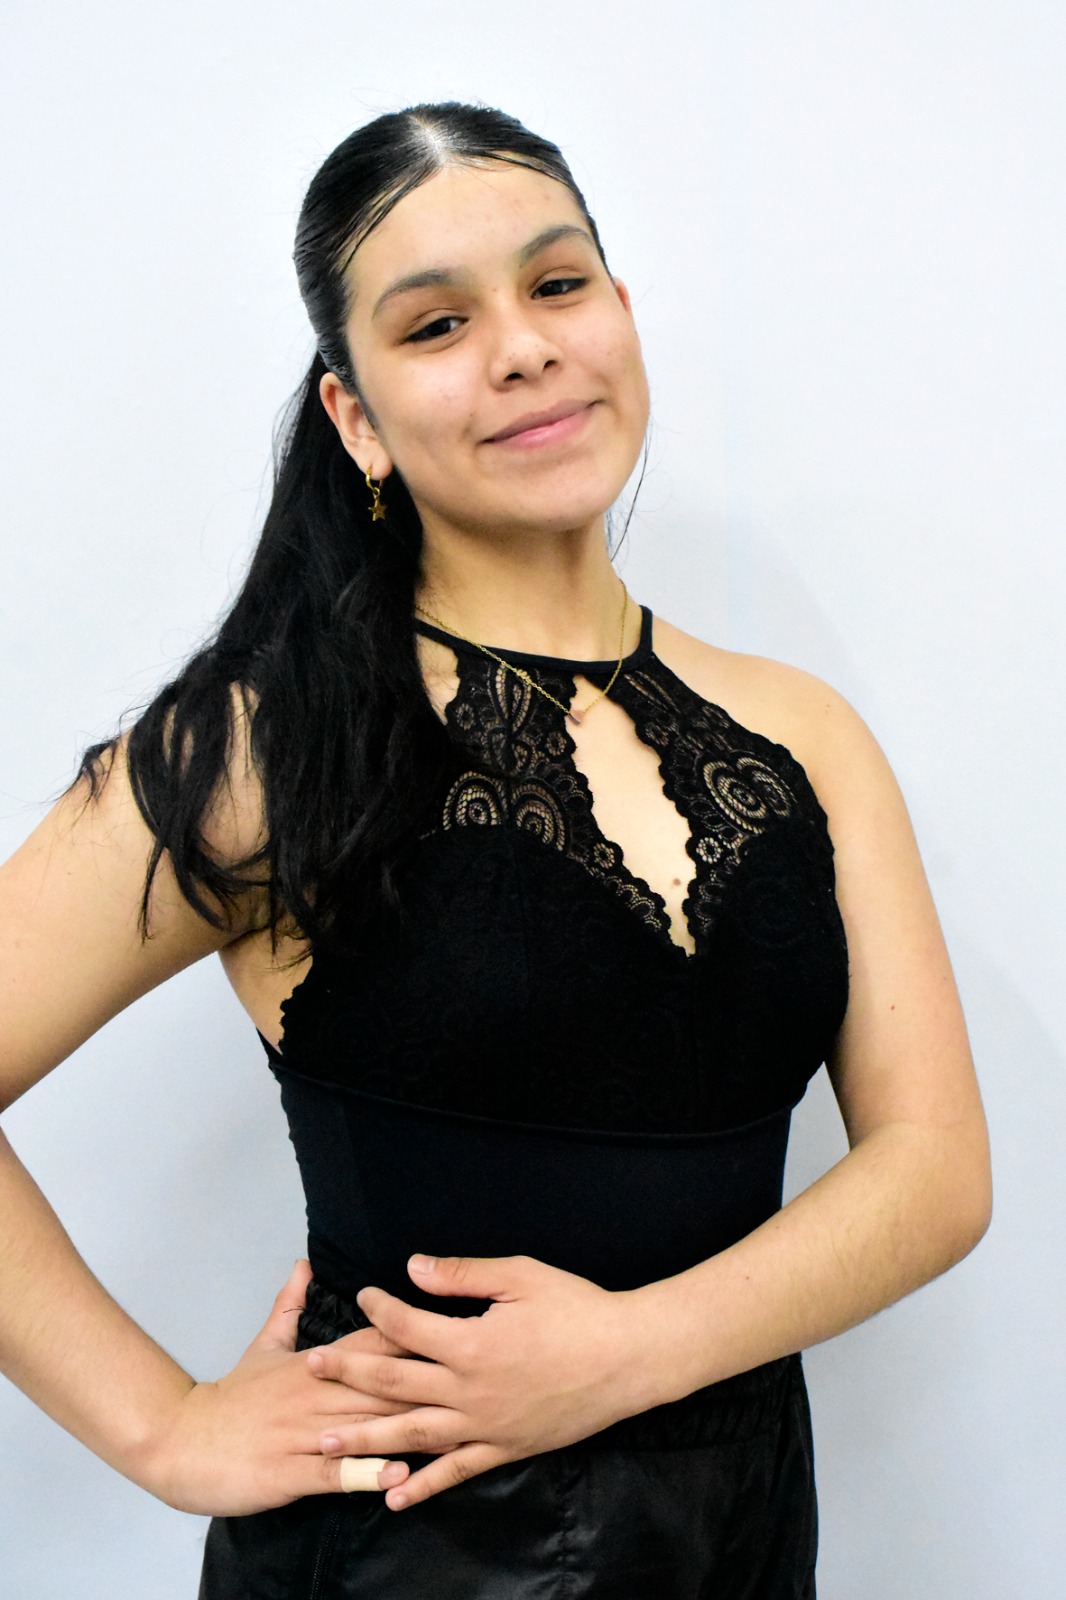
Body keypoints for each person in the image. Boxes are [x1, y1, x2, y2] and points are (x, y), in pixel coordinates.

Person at [0, 101, 991, 1598]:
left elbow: (935, 1170)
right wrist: (163, 1429)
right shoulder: (273, 742)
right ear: (355, 418)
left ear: (621, 313)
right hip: (411, 1550)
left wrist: (633, 1350)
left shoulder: (807, 733)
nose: (522, 348)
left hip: (739, 1534)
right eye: (437, 323)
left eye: (556, 284)